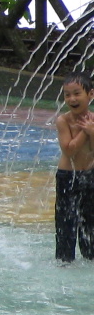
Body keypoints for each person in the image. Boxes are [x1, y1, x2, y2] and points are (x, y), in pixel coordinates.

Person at [55, 71, 94, 261]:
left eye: (77, 93)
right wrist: (85, 132)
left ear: (90, 94)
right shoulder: (63, 121)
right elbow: (69, 150)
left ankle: (90, 259)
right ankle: (64, 262)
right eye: (67, 95)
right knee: (66, 223)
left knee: (90, 222)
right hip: (67, 176)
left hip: (90, 175)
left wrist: (92, 132)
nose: (72, 99)